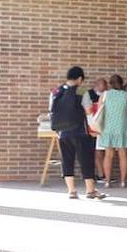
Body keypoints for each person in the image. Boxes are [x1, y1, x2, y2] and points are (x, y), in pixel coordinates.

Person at [48, 66, 105, 200]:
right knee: (86, 160)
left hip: (62, 133)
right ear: (79, 78)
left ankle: (71, 191)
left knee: (67, 160)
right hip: (80, 131)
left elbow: (51, 111)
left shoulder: (56, 91)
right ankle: (90, 190)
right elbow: (88, 110)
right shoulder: (82, 90)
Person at [97, 74, 127, 188]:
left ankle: (107, 181)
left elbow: (99, 112)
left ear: (110, 84)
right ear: (122, 83)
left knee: (108, 156)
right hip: (122, 127)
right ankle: (123, 181)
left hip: (108, 128)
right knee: (123, 155)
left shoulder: (105, 95)